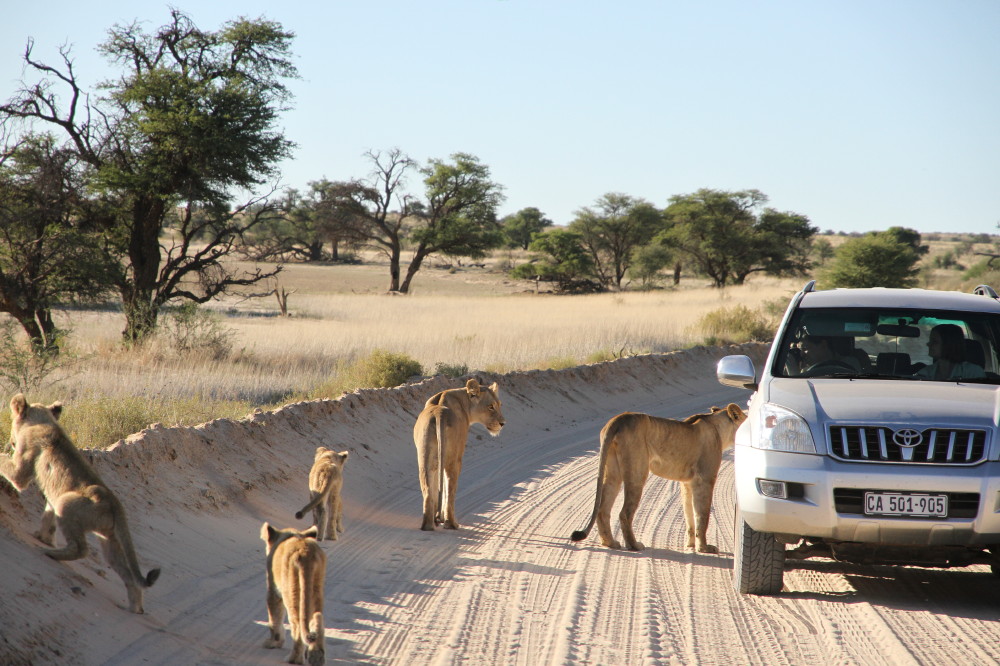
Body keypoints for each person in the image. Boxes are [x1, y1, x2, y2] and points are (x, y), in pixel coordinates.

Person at [914, 324, 986, 380]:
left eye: (934, 341)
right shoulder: (924, 373)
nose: (928, 344)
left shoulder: (973, 373)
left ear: (949, 344)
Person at [788, 335, 861, 375]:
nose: (801, 354)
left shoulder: (850, 363)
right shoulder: (804, 371)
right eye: (800, 350)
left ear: (823, 345)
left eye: (805, 348)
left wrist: (794, 376)